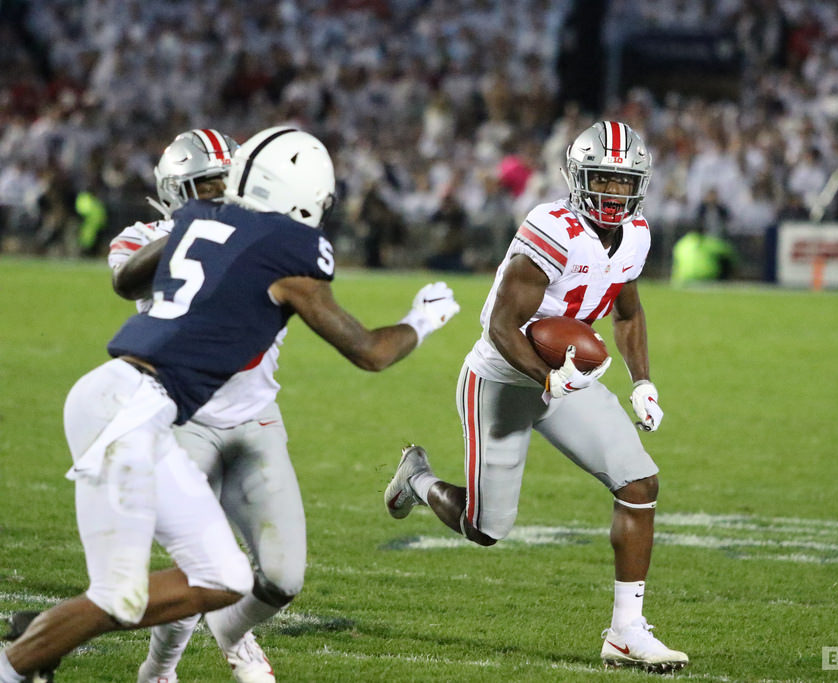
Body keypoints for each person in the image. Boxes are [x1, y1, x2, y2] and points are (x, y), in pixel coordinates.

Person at [0, 126, 460, 683]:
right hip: (136, 407)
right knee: (121, 595)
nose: (217, 192)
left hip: (168, 406)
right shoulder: (272, 242)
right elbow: (368, 351)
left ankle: (39, 640)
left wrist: (209, 221)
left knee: (224, 578)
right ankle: (28, 660)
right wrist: (422, 319)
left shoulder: (205, 222)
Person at [384, 121, 688, 673]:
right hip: (503, 377)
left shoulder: (638, 233)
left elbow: (628, 310)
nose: (614, 194)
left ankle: (626, 633)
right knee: (485, 528)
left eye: (624, 183)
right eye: (603, 180)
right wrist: (549, 382)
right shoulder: (552, 226)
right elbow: (502, 325)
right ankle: (418, 479)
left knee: (639, 482)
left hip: (568, 377)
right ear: (578, 177)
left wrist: (642, 380)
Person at [107, 128, 283, 683]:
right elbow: (125, 277)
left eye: (227, 185)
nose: (221, 195)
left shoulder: (252, 233)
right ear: (178, 189)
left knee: (274, 569)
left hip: (245, 412)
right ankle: (170, 664)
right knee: (203, 562)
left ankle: (208, 642)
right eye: (208, 185)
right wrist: (195, 228)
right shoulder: (141, 237)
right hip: (175, 417)